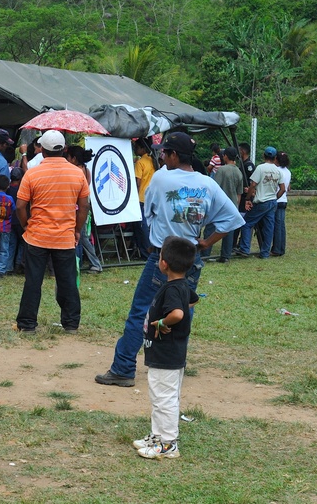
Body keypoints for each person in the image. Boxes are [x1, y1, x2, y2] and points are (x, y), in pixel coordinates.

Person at [96, 132, 243, 387]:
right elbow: (232, 218)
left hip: (162, 257)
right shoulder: (207, 183)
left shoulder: (162, 177)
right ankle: (174, 366)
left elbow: (149, 210)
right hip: (190, 258)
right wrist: (206, 242)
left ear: (174, 155)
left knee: (141, 311)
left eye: (164, 153)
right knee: (181, 311)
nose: (161, 157)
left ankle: (123, 368)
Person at [14, 130, 90, 334]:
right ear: (64, 150)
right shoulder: (77, 174)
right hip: (65, 237)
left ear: (43, 151)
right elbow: (83, 207)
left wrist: (26, 225)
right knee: (67, 282)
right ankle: (71, 324)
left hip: (37, 235)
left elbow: (20, 206)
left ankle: (28, 324)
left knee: (33, 282)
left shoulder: (32, 173)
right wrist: (76, 230)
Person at [133, 236, 199, 460]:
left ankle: (168, 443)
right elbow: (192, 300)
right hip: (166, 354)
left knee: (164, 399)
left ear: (163, 264)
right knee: (160, 397)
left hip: (166, 355)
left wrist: (162, 322)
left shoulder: (172, 289)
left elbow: (178, 314)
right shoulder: (182, 285)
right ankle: (157, 436)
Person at [235, 146, 285, 260]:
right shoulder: (278, 170)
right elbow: (282, 189)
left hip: (261, 201)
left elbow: (253, 184)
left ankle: (244, 248)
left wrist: (247, 198)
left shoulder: (260, 168)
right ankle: (265, 253)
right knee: (269, 227)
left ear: (264, 155)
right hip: (272, 202)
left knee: (247, 223)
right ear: (275, 157)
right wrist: (274, 197)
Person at [66, 146, 102, 273]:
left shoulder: (75, 172)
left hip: (78, 207)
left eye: (69, 157)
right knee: (82, 237)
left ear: (74, 159)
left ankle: (95, 264)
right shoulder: (86, 170)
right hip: (85, 205)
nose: (67, 160)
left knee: (81, 237)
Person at [210, 147, 243, 263]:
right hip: (233, 204)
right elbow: (239, 193)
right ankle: (226, 255)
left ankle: (205, 252)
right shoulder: (239, 171)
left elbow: (214, 188)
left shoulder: (222, 170)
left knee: (210, 228)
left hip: (219, 205)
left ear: (225, 156)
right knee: (228, 231)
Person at [132, 138, 156, 259]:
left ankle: (145, 252)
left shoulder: (140, 162)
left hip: (142, 197)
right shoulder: (154, 161)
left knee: (142, 226)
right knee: (151, 225)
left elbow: (138, 182)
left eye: (136, 147)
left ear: (143, 148)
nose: (135, 149)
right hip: (153, 197)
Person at [271, 151, 292, 257]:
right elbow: (288, 187)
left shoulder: (276, 171)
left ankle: (276, 249)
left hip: (277, 199)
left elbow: (282, 188)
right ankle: (281, 248)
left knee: (276, 226)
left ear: (276, 160)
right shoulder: (288, 172)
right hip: (284, 200)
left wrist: (274, 198)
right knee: (281, 226)